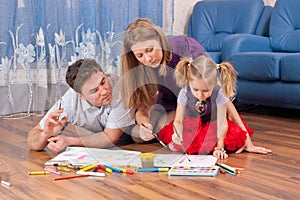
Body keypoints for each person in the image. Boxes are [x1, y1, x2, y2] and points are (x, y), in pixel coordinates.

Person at [158, 55, 272, 159]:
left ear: (215, 83)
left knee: (228, 137)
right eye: (196, 90)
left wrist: (220, 147)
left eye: (205, 91)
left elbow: (223, 123)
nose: (200, 95)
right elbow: (178, 120)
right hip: (193, 124)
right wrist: (177, 134)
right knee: (182, 138)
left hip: (215, 126)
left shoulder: (219, 94)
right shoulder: (185, 92)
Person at [120, 18, 206, 143]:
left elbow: (211, 84)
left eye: (150, 50)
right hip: (167, 105)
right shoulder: (139, 69)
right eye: (140, 55)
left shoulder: (185, 47)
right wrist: (145, 125)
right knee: (138, 136)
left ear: (159, 40)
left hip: (195, 104)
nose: (148, 58)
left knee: (163, 126)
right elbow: (142, 108)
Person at [27, 59, 135, 153]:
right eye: (94, 90)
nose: (104, 91)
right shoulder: (69, 102)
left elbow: (110, 137)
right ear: (80, 96)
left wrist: (70, 141)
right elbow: (32, 141)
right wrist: (45, 135)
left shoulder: (122, 89)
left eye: (103, 82)